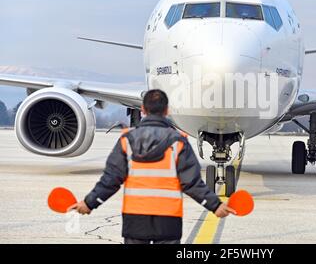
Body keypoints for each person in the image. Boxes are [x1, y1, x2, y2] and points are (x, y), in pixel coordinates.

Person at [69, 89, 236, 244]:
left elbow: (110, 180)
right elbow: (192, 183)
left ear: (143, 109)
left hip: (135, 220)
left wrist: (89, 204)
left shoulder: (127, 141)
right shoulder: (178, 143)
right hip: (168, 220)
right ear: (167, 111)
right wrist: (216, 205)